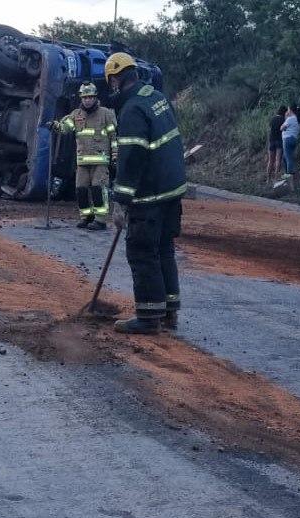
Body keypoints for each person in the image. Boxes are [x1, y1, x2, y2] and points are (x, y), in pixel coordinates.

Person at [105, 52, 187, 335]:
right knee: (164, 249)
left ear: (115, 81)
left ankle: (149, 316)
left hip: (150, 195)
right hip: (172, 190)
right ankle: (169, 312)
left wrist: (121, 201)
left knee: (142, 252)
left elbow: (131, 159)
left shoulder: (131, 110)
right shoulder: (156, 97)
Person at [51, 82, 117, 231]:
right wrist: (55, 126)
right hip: (82, 162)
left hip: (100, 161)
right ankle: (86, 217)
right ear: (81, 98)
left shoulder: (106, 114)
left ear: (95, 97)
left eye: (90, 97)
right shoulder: (76, 115)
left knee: (98, 189)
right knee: (80, 190)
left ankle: (100, 220)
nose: (88, 100)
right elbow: (65, 128)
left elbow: (114, 136)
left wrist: (115, 156)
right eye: (85, 97)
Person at [280, 104, 300, 183]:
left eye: (288, 109)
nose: (287, 111)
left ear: (290, 110)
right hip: (294, 139)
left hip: (287, 139)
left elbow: (281, 128)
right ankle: (289, 175)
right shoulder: (298, 119)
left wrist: (286, 118)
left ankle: (288, 177)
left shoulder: (290, 119)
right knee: (285, 158)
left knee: (288, 159)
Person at [267, 106, 287, 182]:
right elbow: (284, 129)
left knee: (270, 160)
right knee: (278, 160)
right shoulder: (283, 120)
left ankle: (268, 179)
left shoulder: (272, 119)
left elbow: (270, 129)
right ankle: (275, 179)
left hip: (271, 140)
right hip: (279, 140)